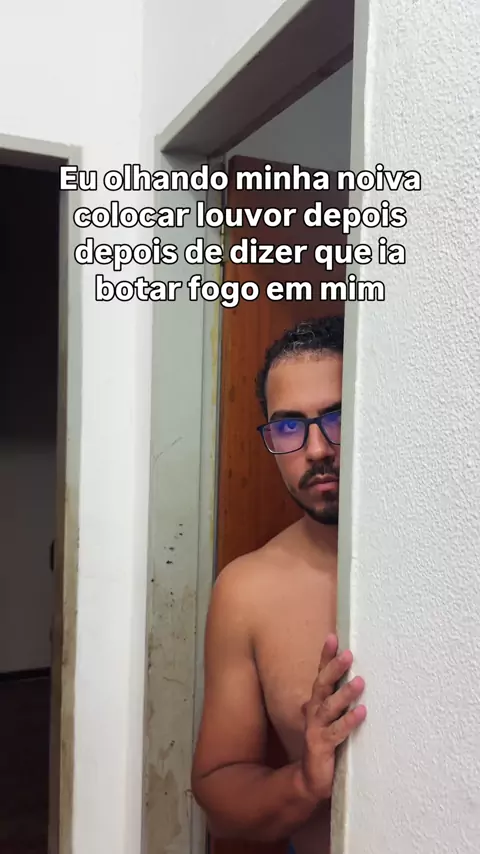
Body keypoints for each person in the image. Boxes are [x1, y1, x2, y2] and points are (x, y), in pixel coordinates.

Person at [191, 316, 366, 854]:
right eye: (289, 427)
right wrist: (304, 781)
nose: (316, 449)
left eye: (338, 417)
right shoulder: (247, 591)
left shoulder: (451, 565)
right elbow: (219, 794)